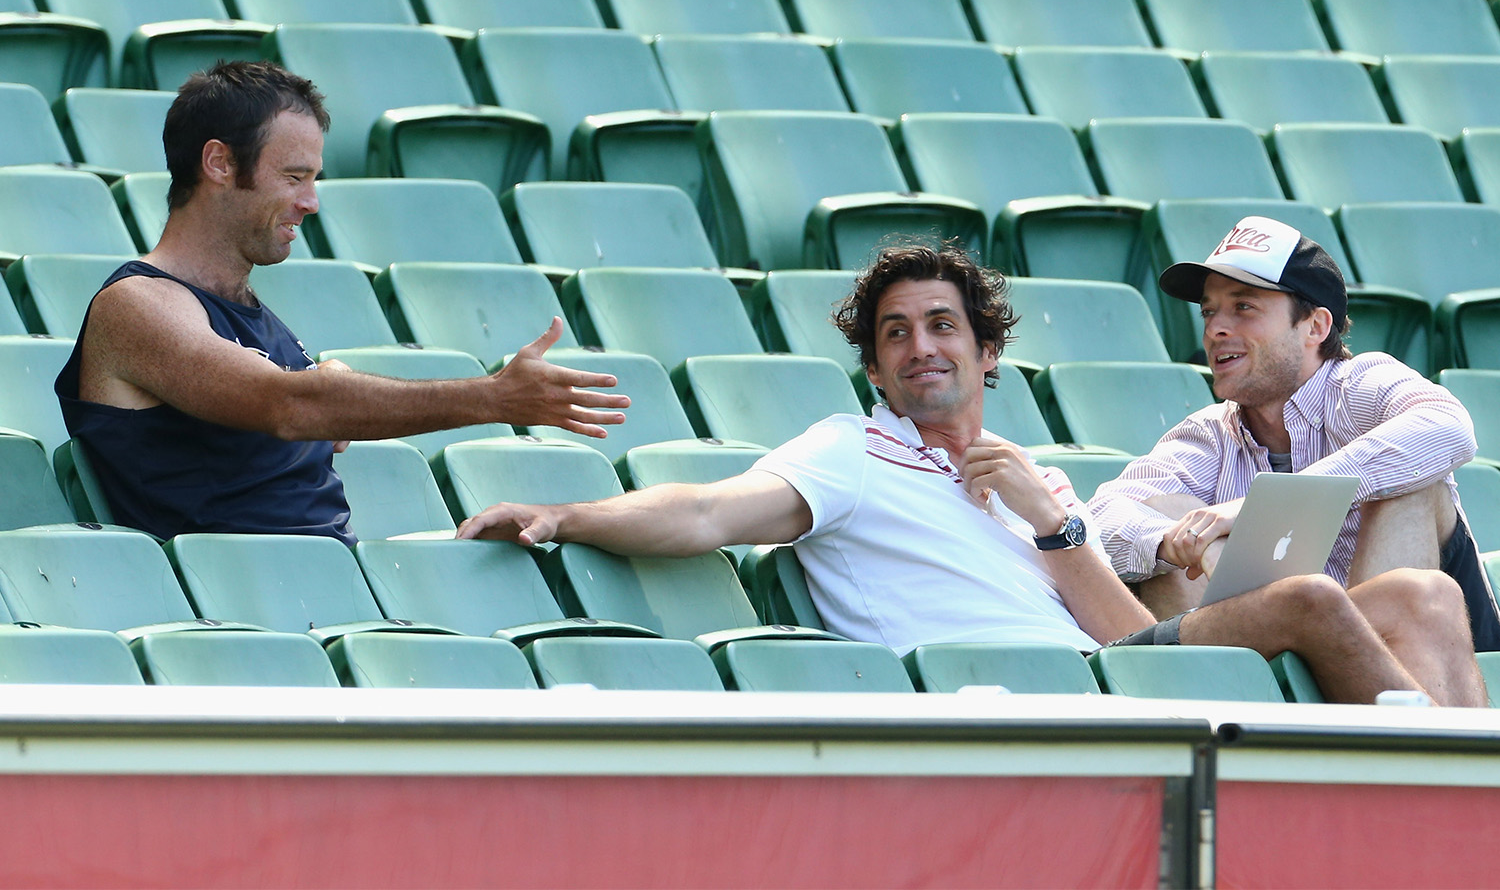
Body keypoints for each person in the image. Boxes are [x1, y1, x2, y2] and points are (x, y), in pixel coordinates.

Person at [457, 242, 1487, 706]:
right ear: (873, 367)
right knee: (1310, 595)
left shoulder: (1024, 472)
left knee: (1416, 590)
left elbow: (1119, 626)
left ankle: (1449, 784)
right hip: (1034, 696)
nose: (921, 348)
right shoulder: (850, 450)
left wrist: (1051, 519)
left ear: (988, 352)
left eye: (943, 326)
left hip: (1113, 672)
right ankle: (1446, 795)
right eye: (895, 334)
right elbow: (708, 510)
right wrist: (572, 511)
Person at [54, 60, 628, 544]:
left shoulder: (253, 317)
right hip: (236, 618)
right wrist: (494, 397)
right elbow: (289, 407)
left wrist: (324, 390)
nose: (312, 202)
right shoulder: (135, 305)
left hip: (323, 588)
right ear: (220, 164)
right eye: (295, 177)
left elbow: (299, 401)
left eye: (315, 179)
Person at [1088, 215, 1500, 653]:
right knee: (1169, 514)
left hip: (1447, 662)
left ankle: (1394, 706)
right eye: (1210, 311)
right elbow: (1100, 519)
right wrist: (1181, 543)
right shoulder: (1208, 434)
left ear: (1316, 327)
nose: (1214, 329)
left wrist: (1268, 505)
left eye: (1243, 307)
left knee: (1412, 487)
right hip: (1293, 668)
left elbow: (1447, 425)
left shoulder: (1360, 381)